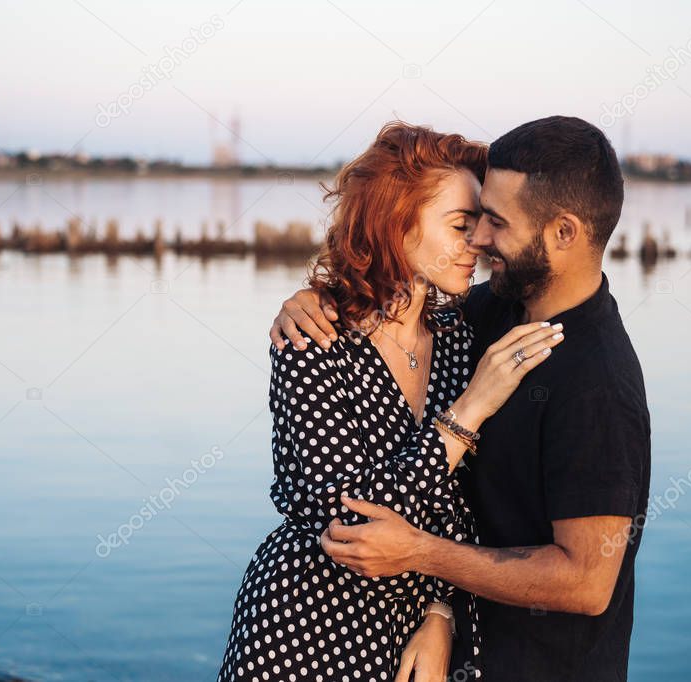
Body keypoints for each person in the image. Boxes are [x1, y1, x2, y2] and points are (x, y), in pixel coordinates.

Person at [269, 116, 652, 681]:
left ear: (563, 232)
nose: (479, 240)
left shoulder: (598, 381)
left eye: (495, 221)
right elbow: (389, 302)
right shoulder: (480, 318)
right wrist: (310, 299)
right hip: (376, 644)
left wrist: (423, 559)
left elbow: (587, 583)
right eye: (470, 221)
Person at [218, 121, 565, 682]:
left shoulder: (460, 332)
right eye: (460, 224)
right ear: (395, 222)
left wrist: (439, 611)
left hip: (413, 635)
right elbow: (343, 520)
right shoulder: (314, 342)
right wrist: (467, 414)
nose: (477, 242)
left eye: (480, 224)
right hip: (302, 630)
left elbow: (462, 505)